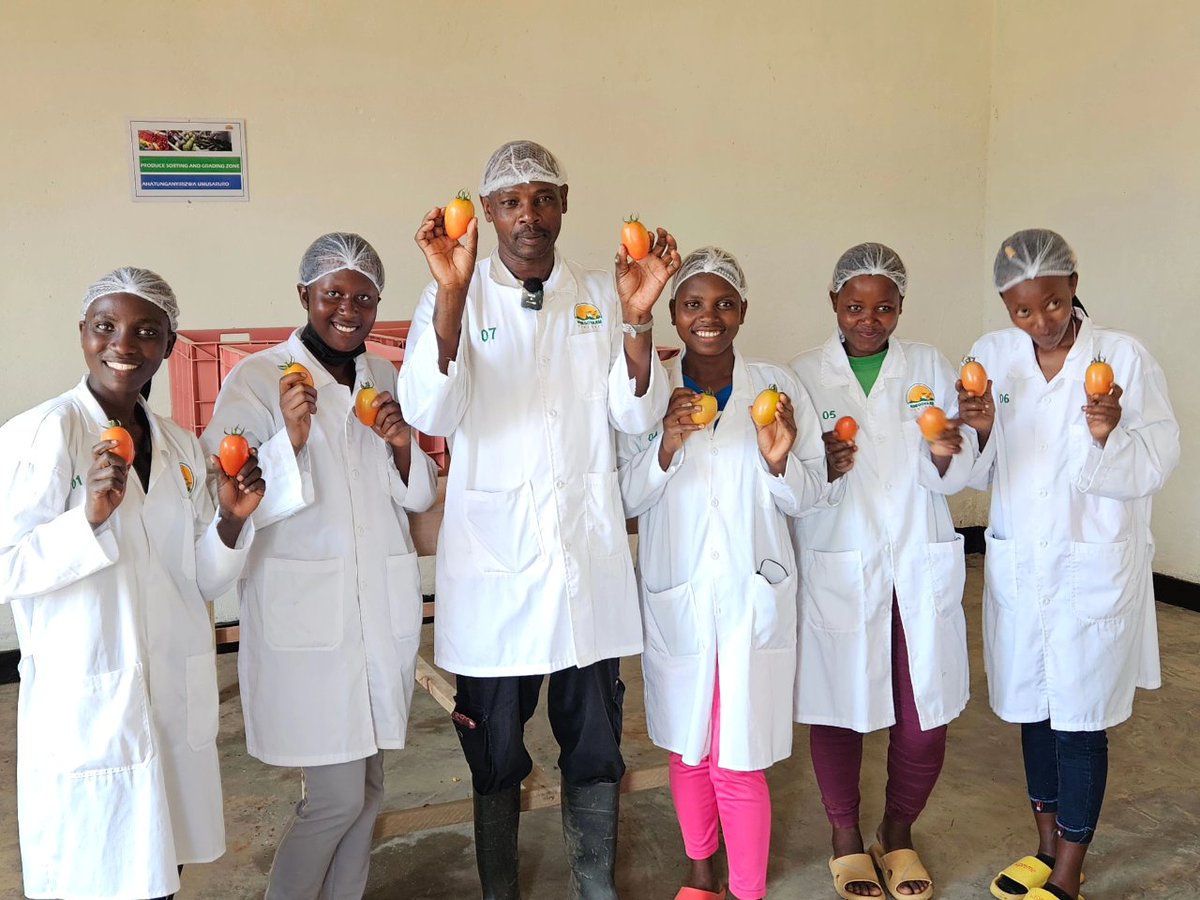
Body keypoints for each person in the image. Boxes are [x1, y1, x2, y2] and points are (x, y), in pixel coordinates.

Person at [397, 139, 679, 899]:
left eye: (543, 198)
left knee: (592, 736)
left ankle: (594, 883)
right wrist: (452, 297)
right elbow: (430, 407)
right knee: (492, 743)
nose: (530, 214)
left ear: (564, 205)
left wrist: (639, 319)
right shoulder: (451, 294)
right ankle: (499, 889)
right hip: (494, 565)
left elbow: (637, 410)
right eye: (512, 201)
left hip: (582, 556)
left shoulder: (597, 291)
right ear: (487, 213)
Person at [0, 267, 262, 900]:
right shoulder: (44, 433)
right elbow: (8, 566)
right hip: (89, 699)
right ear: (83, 335)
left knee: (161, 868)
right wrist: (85, 522)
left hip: (169, 689)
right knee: (95, 872)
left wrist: (229, 521)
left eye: (147, 332)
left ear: (170, 346)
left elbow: (198, 576)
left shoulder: (177, 445)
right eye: (105, 327)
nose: (124, 344)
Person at [202, 233, 437, 900]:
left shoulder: (382, 376)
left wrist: (399, 444)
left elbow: (415, 493)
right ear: (304, 295)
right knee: (334, 801)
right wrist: (288, 440)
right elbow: (235, 494)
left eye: (363, 297)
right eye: (332, 293)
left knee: (367, 793)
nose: (347, 308)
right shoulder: (257, 379)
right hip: (306, 616)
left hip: (375, 607)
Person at [960, 229, 1179, 900]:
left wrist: (1107, 436)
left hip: (1091, 564)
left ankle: (1070, 868)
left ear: (1074, 285)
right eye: (1023, 310)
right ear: (1005, 306)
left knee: (1080, 718)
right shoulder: (991, 357)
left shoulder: (1124, 358)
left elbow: (1159, 460)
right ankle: (1044, 844)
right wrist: (981, 429)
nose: (1040, 321)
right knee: (1033, 707)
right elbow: (977, 465)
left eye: (1052, 304)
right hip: (1024, 562)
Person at [617, 247, 828, 900]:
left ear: (743, 311)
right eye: (693, 304)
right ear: (675, 316)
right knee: (687, 750)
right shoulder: (646, 394)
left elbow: (813, 496)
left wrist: (778, 461)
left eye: (723, 303)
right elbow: (623, 499)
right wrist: (668, 444)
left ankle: (745, 890)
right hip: (678, 595)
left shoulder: (780, 388)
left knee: (737, 759)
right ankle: (700, 873)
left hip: (749, 597)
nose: (709, 317)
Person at [789, 243, 977, 900]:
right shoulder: (802, 375)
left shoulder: (928, 365)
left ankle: (897, 833)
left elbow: (960, 463)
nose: (869, 319)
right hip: (841, 560)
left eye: (884, 307)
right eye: (855, 306)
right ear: (835, 304)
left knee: (925, 719)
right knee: (837, 710)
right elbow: (789, 482)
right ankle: (845, 838)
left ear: (900, 308)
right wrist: (823, 466)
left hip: (916, 560)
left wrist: (951, 449)